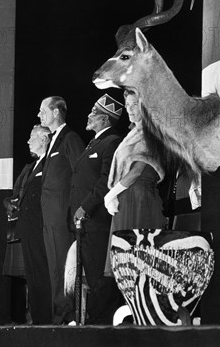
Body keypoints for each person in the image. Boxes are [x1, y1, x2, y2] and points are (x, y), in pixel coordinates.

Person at [70, 94, 123, 324]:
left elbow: (105, 181)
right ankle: (94, 319)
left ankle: (101, 322)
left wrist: (85, 206)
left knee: (99, 274)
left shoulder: (112, 142)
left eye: (93, 112)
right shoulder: (94, 143)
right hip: (85, 222)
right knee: (90, 273)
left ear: (104, 118)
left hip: (98, 219)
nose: (89, 116)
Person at [104, 92, 166, 272]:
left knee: (139, 265)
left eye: (134, 105)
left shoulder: (151, 133)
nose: (129, 109)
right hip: (126, 199)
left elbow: (137, 171)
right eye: (127, 105)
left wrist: (110, 194)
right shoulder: (133, 133)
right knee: (125, 267)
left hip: (140, 201)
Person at [38, 96, 85, 324]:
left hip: (63, 217)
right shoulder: (54, 141)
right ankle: (59, 317)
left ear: (56, 112)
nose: (39, 115)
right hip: (50, 218)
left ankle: (68, 317)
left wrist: (76, 211)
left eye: (42, 110)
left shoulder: (70, 138)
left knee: (64, 268)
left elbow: (81, 174)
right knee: (54, 268)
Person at [5, 125, 53, 325]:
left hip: (41, 227)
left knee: (42, 275)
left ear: (44, 139)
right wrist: (9, 203)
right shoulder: (29, 168)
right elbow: (16, 195)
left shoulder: (51, 164)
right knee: (31, 278)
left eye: (32, 137)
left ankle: (46, 320)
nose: (28, 141)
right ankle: (36, 319)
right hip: (26, 229)